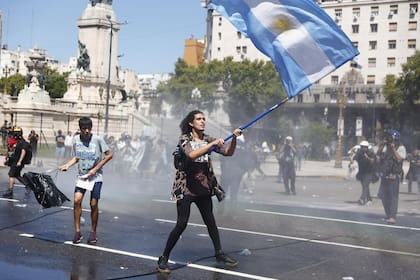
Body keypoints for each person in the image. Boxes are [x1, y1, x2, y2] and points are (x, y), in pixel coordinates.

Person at [157, 110, 242, 273]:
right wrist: (211, 145)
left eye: (204, 119)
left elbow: (228, 153)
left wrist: (235, 138)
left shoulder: (208, 139)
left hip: (203, 189)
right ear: (191, 123)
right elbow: (192, 154)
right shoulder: (185, 139)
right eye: (199, 119)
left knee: (211, 222)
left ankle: (219, 253)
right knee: (181, 224)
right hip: (186, 189)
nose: (203, 121)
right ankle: (164, 258)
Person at [59, 117, 113, 244]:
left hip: (96, 177)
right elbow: (76, 157)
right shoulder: (76, 140)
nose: (87, 131)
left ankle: (93, 233)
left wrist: (96, 168)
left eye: (89, 128)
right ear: (80, 129)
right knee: (77, 201)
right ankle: (77, 233)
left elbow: (109, 154)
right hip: (82, 176)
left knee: (93, 204)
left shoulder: (98, 139)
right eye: (84, 129)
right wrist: (67, 165)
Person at [376, 130, 406, 224]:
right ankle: (388, 215)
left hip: (394, 176)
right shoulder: (386, 146)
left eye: (390, 137)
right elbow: (378, 154)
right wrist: (382, 144)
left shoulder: (401, 147)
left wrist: (393, 149)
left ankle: (393, 217)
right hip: (385, 175)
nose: (388, 139)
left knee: (393, 197)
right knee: (383, 196)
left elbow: (399, 159)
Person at [2, 127, 30, 198]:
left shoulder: (22, 142)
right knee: (17, 175)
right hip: (13, 161)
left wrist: (20, 161)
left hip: (18, 162)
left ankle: (10, 191)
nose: (16, 134)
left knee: (11, 174)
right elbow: (10, 150)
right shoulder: (12, 141)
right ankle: (28, 185)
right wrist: (7, 158)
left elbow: (23, 152)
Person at [353, 141, 376, 205]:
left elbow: (373, 161)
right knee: (365, 186)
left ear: (367, 147)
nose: (363, 149)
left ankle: (362, 199)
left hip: (369, 172)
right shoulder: (359, 153)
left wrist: (367, 157)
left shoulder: (371, 153)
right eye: (362, 147)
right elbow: (355, 159)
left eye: (365, 147)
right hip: (361, 172)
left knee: (365, 185)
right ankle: (369, 199)